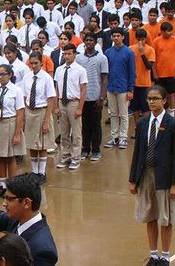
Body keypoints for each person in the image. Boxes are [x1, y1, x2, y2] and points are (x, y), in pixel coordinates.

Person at [129, 85, 175, 266]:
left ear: (164, 101)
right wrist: (133, 179)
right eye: (149, 98)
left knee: (165, 218)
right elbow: (138, 153)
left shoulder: (173, 125)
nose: (151, 102)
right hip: (146, 176)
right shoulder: (143, 123)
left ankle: (166, 257)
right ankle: (153, 255)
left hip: (164, 177)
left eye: (155, 98)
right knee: (150, 215)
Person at [0, 64, 26, 198]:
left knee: (10, 156)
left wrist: (17, 133)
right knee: (0, 156)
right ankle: (2, 185)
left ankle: (11, 186)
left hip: (10, 122)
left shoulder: (16, 90)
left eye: (3, 74)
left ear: (10, 75)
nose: (0, 77)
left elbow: (20, 113)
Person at [21, 52, 56, 182]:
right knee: (31, 143)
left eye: (36, 63)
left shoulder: (46, 78)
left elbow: (51, 99)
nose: (34, 65)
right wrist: (24, 116)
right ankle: (34, 171)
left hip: (42, 110)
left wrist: (47, 120)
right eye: (31, 63)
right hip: (30, 111)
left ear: (41, 63)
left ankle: (42, 172)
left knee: (42, 144)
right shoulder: (27, 77)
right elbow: (24, 96)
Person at [54, 43, 87, 170]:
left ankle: (76, 157)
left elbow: (83, 90)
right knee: (64, 132)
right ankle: (66, 155)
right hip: (62, 102)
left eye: (69, 54)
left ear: (74, 54)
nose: (67, 56)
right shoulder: (59, 69)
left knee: (76, 132)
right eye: (65, 54)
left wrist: (80, 108)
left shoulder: (80, 70)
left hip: (74, 102)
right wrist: (56, 105)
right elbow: (57, 87)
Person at [76, 33, 108, 161]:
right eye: (87, 40)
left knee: (96, 124)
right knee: (84, 124)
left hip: (96, 96)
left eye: (91, 40)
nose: (89, 42)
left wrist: (102, 97)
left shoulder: (102, 58)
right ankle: (85, 148)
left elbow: (104, 79)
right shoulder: (78, 58)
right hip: (83, 97)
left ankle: (95, 149)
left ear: (95, 42)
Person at [104, 28, 135, 149]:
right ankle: (114, 137)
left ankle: (123, 138)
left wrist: (130, 89)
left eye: (118, 35)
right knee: (113, 113)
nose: (116, 38)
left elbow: (132, 72)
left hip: (123, 88)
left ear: (123, 37)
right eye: (114, 36)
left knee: (123, 114)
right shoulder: (108, 52)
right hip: (111, 87)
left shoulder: (128, 52)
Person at [152, 22, 175, 116]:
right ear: (162, 31)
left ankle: (172, 114)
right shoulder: (156, 41)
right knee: (159, 95)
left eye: (171, 31)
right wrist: (154, 72)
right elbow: (153, 58)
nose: (170, 33)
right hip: (160, 73)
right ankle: (160, 113)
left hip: (171, 73)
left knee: (171, 94)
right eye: (167, 31)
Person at [129, 29, 155, 136]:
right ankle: (138, 128)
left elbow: (149, 66)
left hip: (145, 84)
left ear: (146, 39)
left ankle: (146, 129)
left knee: (145, 108)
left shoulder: (150, 50)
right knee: (135, 107)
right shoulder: (130, 49)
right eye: (138, 40)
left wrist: (142, 53)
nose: (140, 42)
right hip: (134, 83)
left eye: (143, 40)